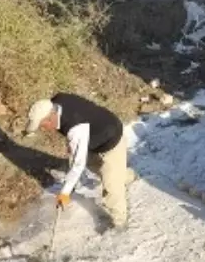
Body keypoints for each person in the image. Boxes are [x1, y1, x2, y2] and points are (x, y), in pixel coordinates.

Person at [24, 92, 131, 230]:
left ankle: (120, 223)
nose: (43, 129)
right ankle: (122, 174)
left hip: (111, 138)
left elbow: (77, 165)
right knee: (94, 165)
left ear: (50, 117)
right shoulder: (56, 102)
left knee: (112, 186)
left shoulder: (75, 128)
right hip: (93, 136)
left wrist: (64, 193)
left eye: (42, 126)